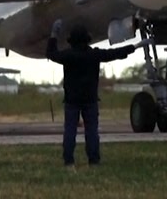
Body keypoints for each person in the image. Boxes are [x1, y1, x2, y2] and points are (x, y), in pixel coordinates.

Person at [46, 18, 151, 167]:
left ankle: (68, 161)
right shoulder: (94, 55)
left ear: (71, 41)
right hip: (90, 99)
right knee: (92, 132)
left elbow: (51, 54)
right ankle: (94, 160)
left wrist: (53, 35)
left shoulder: (68, 55)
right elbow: (115, 53)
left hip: (71, 100)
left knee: (69, 130)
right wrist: (137, 46)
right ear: (87, 40)